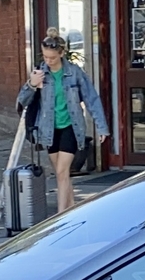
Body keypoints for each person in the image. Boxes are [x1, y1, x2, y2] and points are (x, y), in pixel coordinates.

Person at [24, 33, 109, 213]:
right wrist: (32, 84)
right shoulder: (40, 73)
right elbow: (22, 100)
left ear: (61, 53)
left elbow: (91, 98)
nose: (49, 61)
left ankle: (61, 216)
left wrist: (101, 126)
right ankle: (72, 210)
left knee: (63, 172)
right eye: (45, 57)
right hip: (49, 130)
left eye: (52, 57)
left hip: (71, 126)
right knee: (60, 174)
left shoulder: (74, 73)